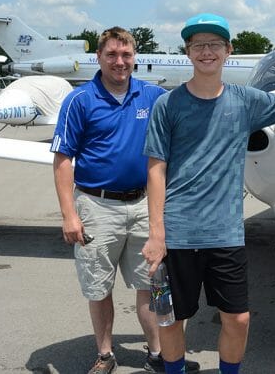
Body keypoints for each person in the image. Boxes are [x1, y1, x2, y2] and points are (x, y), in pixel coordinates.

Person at [141, 13, 275, 374]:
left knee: (238, 319)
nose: (207, 51)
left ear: (228, 50)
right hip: (178, 232)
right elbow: (156, 170)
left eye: (215, 44)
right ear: (187, 52)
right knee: (171, 319)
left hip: (226, 234)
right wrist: (156, 233)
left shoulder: (245, 100)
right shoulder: (167, 105)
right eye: (198, 45)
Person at [51, 27, 198, 374]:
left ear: (135, 57)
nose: (120, 62)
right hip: (96, 205)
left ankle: (158, 354)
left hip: (145, 205)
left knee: (152, 283)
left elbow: (192, 112)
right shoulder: (79, 100)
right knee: (99, 286)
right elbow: (62, 159)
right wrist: (69, 215)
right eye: (112, 55)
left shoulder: (153, 95)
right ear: (99, 58)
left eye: (126, 55)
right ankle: (105, 355)